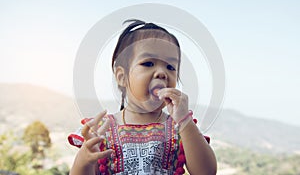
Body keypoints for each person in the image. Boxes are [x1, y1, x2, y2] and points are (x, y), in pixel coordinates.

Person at [68, 19, 217, 175]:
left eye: (170, 67)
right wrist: (84, 159)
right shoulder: (101, 130)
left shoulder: (181, 128)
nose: (162, 73)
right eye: (148, 63)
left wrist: (184, 120)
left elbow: (207, 172)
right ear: (121, 77)